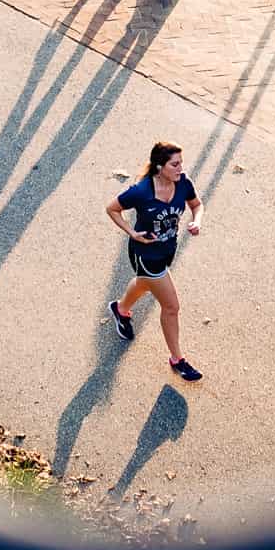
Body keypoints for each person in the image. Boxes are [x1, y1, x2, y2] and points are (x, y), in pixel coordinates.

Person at [105, 140, 205, 382]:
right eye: (175, 164)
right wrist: (131, 232)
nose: (181, 168)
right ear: (160, 167)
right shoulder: (142, 192)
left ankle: (120, 309)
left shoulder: (183, 182)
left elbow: (197, 205)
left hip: (168, 250)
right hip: (147, 256)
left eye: (181, 163)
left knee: (143, 284)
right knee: (171, 307)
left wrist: (197, 221)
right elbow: (112, 209)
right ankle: (177, 359)